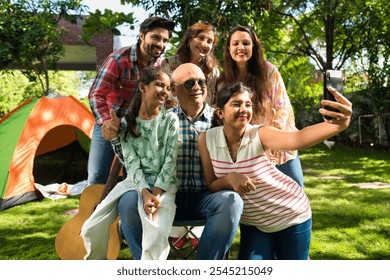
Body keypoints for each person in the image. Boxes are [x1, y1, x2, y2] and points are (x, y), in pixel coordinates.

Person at [198, 82, 352, 260]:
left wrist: (338, 125)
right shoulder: (206, 140)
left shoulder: (259, 134)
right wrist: (229, 179)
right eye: (236, 104)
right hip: (254, 224)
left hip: (291, 215)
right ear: (220, 112)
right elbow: (212, 184)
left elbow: (298, 139)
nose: (244, 109)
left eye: (248, 104)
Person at [81, 66, 179, 260]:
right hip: (135, 183)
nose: (165, 91)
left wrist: (155, 194)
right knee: (91, 227)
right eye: (160, 85)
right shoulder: (127, 123)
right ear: (142, 87)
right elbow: (132, 164)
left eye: (168, 87)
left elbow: (170, 161)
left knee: (156, 233)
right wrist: (144, 192)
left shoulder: (170, 120)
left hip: (164, 185)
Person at [87, 16, 175, 187]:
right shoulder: (119, 59)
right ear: (142, 36)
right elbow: (96, 94)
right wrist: (106, 122)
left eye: (165, 40)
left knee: (134, 180)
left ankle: (126, 213)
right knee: (98, 177)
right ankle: (92, 212)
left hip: (137, 128)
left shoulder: (159, 67)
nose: (160, 44)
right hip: (111, 122)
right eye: (155, 37)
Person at [217, 25, 304, 187]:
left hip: (281, 147)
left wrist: (272, 144)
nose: (240, 47)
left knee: (296, 196)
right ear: (229, 48)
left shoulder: (269, 71)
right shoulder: (223, 82)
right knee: (262, 204)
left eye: (246, 43)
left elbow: (282, 108)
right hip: (250, 153)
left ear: (253, 47)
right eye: (235, 44)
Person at [161, 21, 220, 107]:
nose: (204, 44)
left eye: (209, 41)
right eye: (201, 38)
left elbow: (213, 102)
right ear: (189, 40)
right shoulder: (168, 64)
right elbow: (161, 94)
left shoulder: (213, 71)